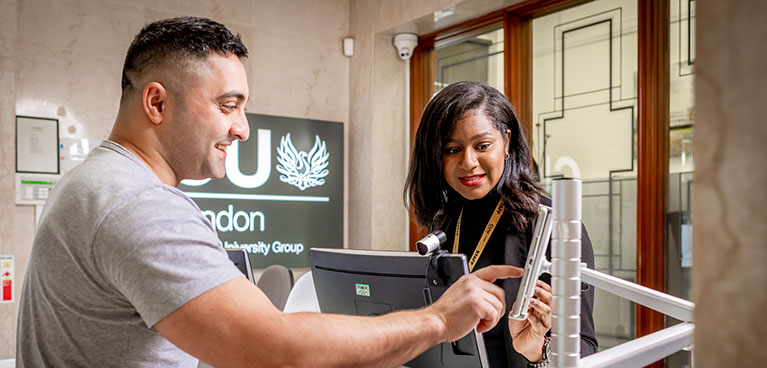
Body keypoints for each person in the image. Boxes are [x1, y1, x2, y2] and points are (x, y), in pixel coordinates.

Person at [16, 17, 523, 368]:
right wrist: (436, 320)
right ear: (156, 103)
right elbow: (275, 351)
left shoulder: (89, 182)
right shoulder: (138, 204)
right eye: (228, 105)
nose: (242, 129)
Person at [404, 81, 598, 368]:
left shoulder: (554, 225)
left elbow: (585, 349)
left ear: (507, 142)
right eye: (451, 150)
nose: (468, 162)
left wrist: (537, 350)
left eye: (482, 146)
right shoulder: (445, 223)